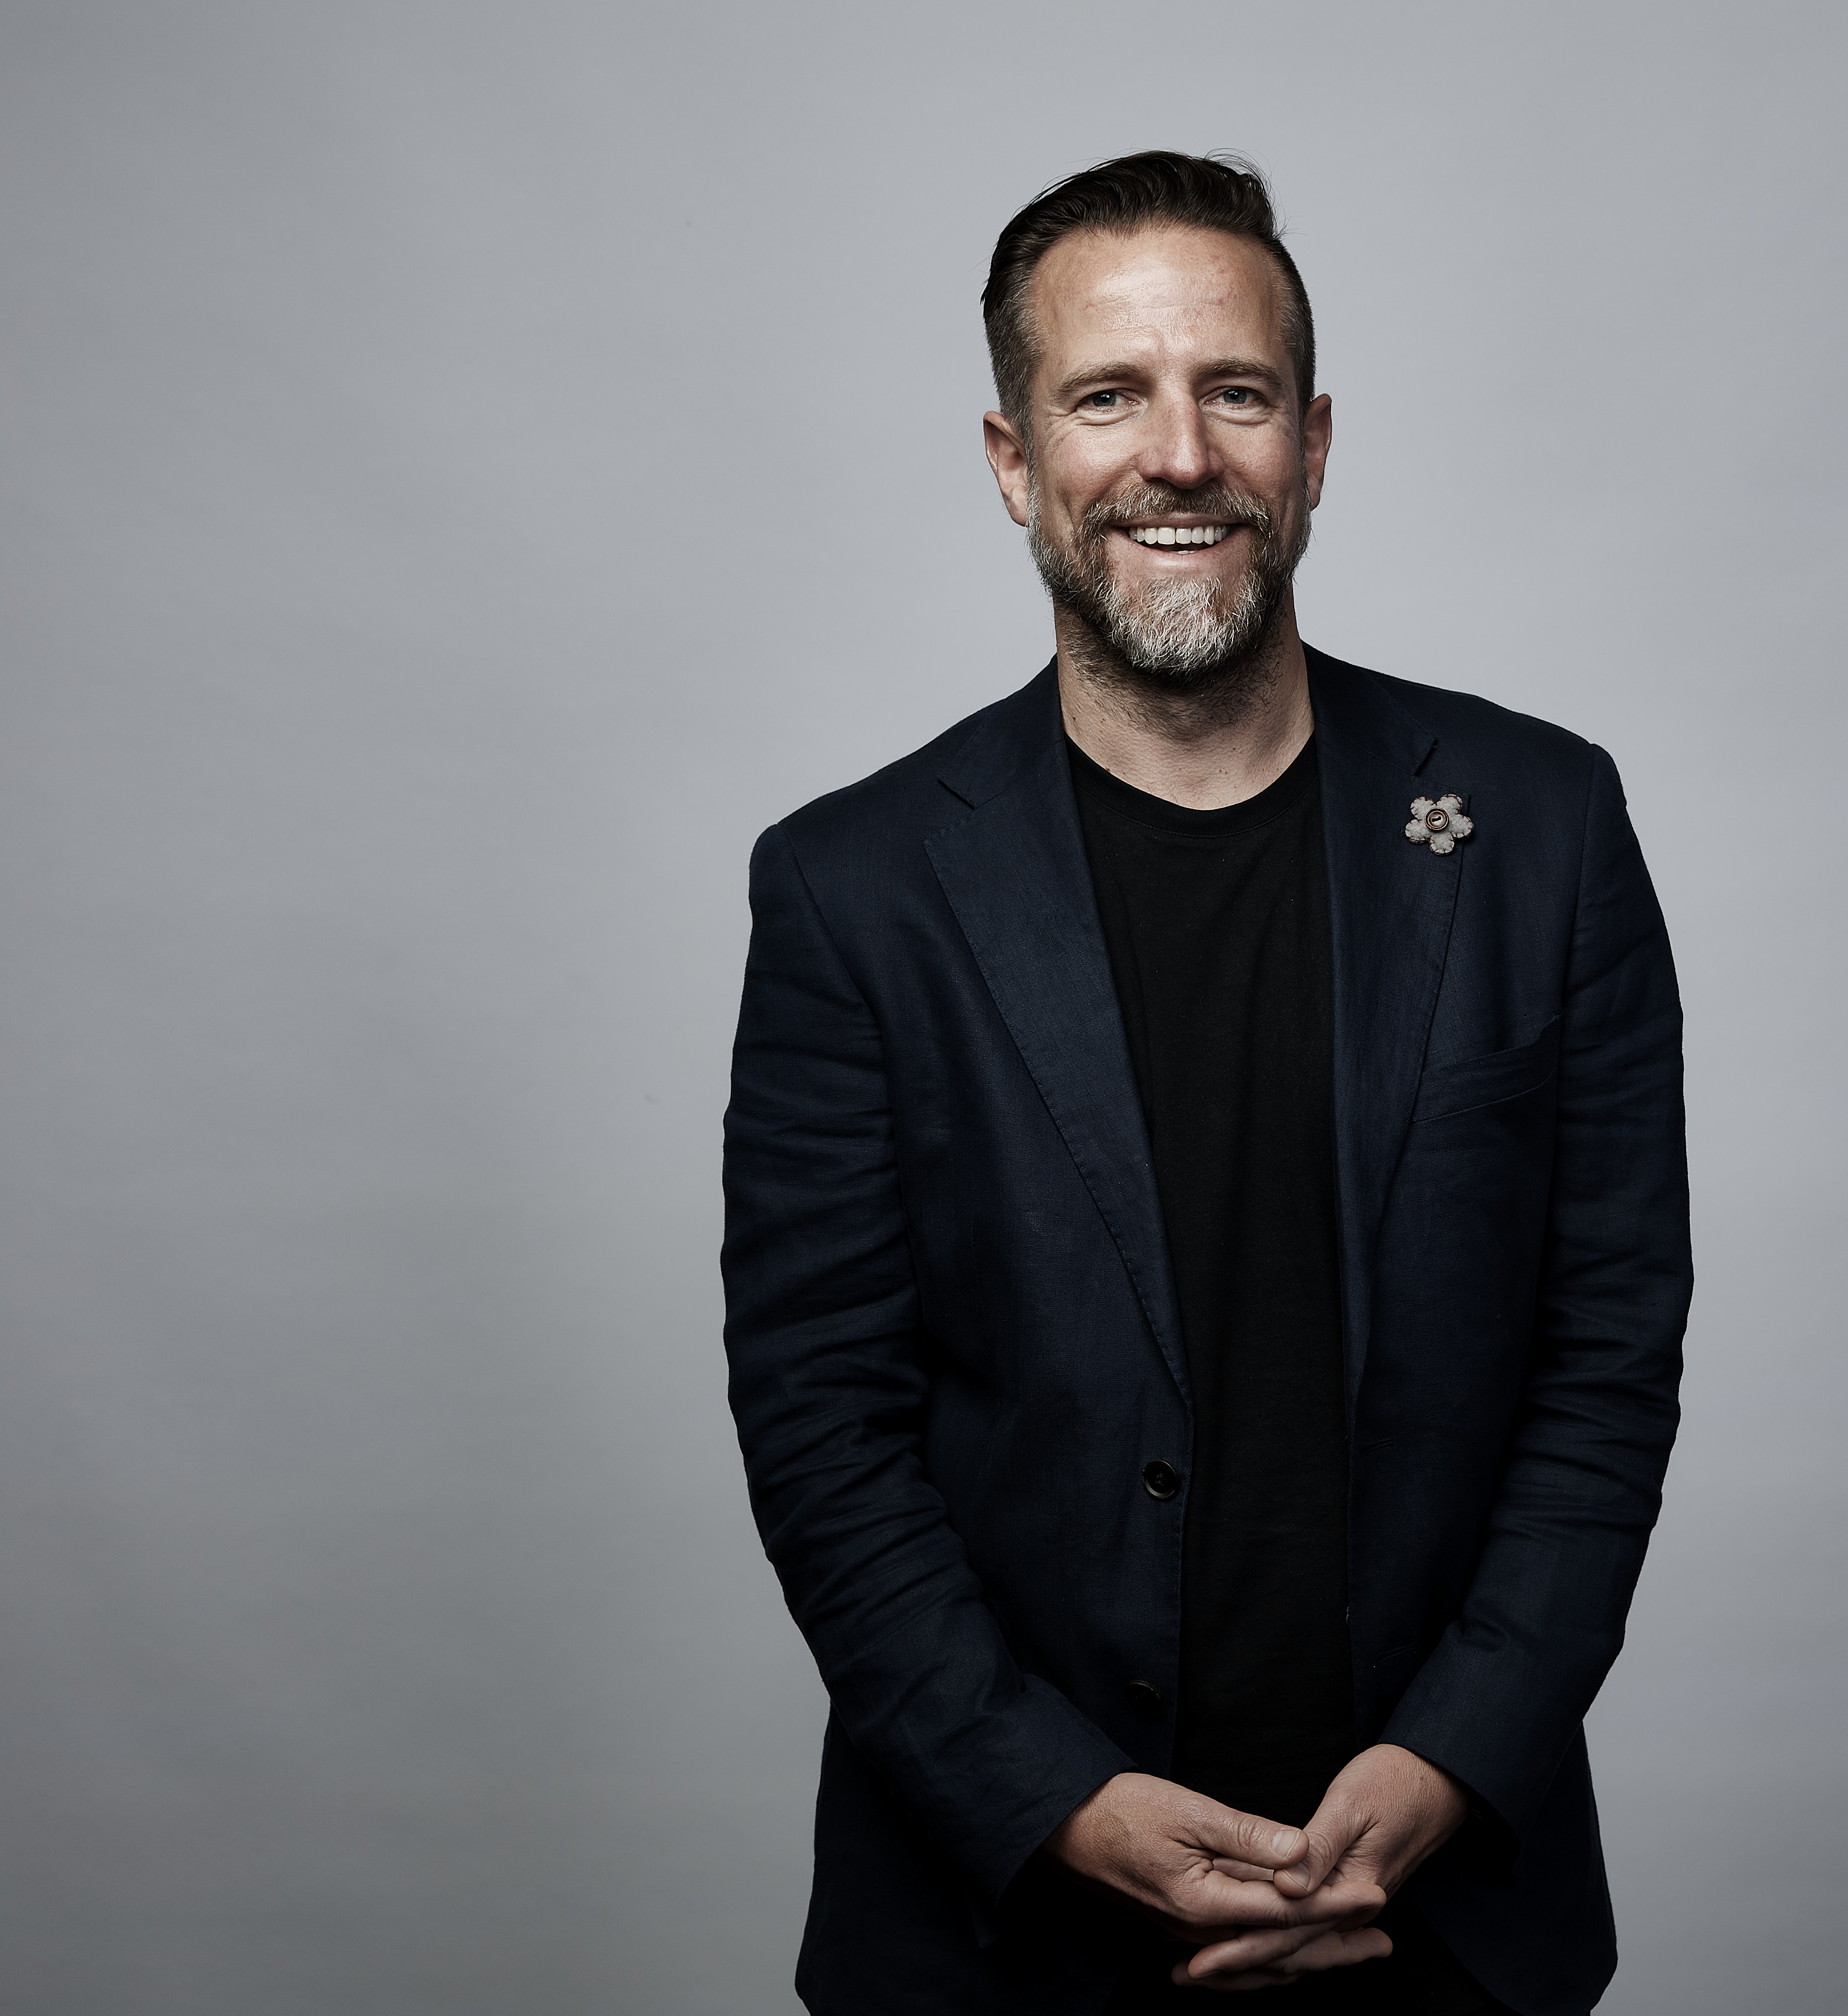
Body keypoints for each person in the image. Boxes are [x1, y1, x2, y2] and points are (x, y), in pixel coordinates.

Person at [719, 151, 1689, 2015]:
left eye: (1234, 391)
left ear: (1311, 446)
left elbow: (1606, 1360)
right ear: (1015, 461)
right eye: (1108, 397)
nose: (1180, 455)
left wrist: (1452, 1759)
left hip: (1444, 1928)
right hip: (1005, 1935)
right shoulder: (852, 890)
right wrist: (1053, 1798)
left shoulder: (1543, 828)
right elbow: (823, 1424)